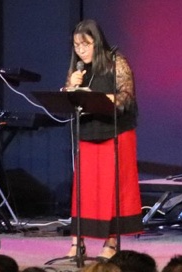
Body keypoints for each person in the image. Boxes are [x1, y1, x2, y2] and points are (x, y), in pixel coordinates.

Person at [65, 18, 142, 260]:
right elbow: (70, 102)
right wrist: (70, 87)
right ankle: (77, 242)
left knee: (114, 189)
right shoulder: (79, 70)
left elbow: (126, 96)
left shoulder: (115, 61)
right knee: (84, 190)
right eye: (77, 46)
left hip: (115, 133)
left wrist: (102, 98)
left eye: (86, 45)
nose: (81, 50)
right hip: (88, 133)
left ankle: (111, 243)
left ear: (97, 42)